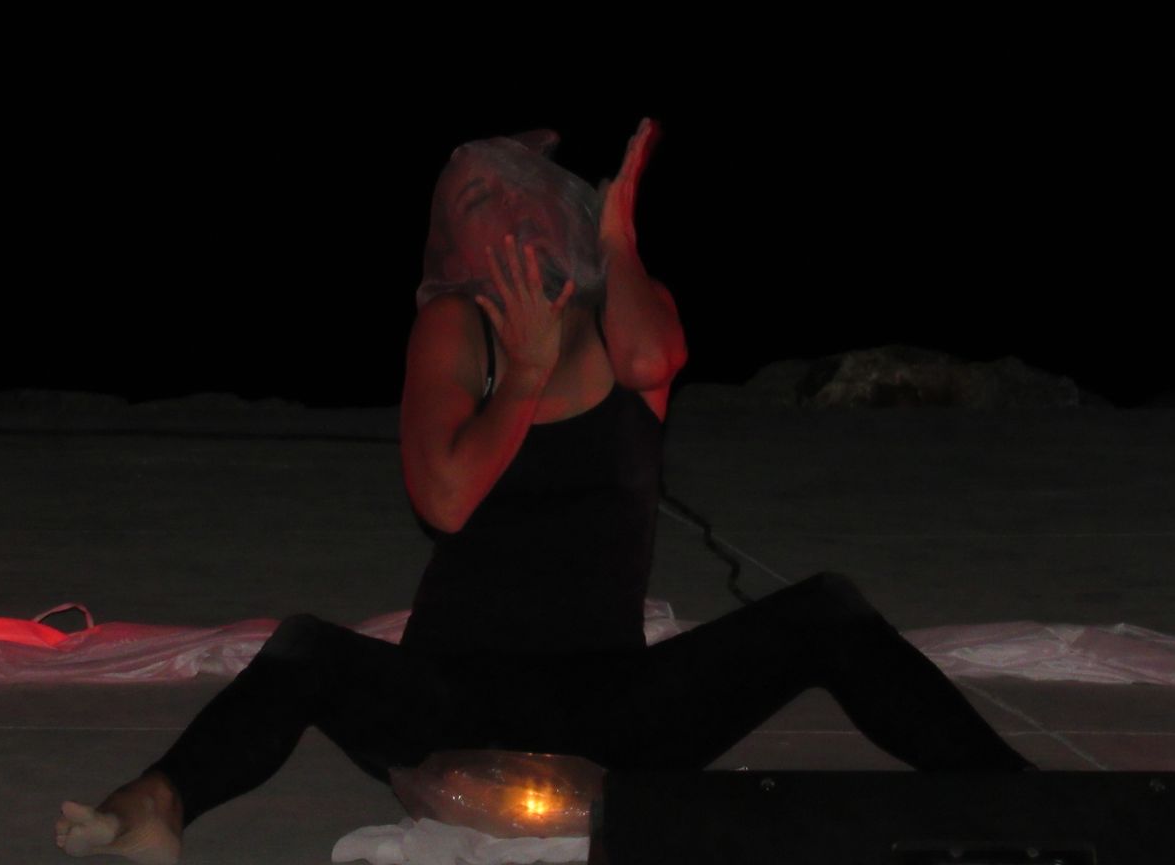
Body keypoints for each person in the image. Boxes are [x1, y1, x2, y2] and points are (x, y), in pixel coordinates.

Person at [54, 118, 1033, 863]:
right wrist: (518, 378)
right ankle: (156, 803)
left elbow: (655, 358)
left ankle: (1026, 798)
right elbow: (443, 499)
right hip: (451, 699)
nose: (497, 224)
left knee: (827, 610)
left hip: (612, 704)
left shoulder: (624, 317)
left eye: (510, 201)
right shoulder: (454, 331)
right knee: (305, 645)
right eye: (473, 211)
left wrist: (621, 237)